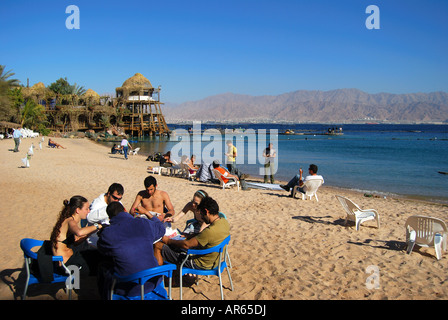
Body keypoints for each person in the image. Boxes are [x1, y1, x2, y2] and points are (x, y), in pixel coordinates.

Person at [97, 202, 166, 299]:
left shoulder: (108, 233)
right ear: (125, 210)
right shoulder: (143, 223)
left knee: (103, 267)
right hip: (153, 281)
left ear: (110, 218)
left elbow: (102, 249)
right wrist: (147, 213)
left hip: (129, 287)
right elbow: (161, 229)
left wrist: (102, 234)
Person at [155, 196, 230, 269]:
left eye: (201, 214)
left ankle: (157, 278)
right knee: (174, 248)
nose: (201, 217)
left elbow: (186, 245)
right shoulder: (224, 222)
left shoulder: (209, 231)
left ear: (206, 212)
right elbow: (208, 237)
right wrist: (190, 236)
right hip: (214, 261)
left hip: (199, 263)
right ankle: (174, 276)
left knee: (158, 245)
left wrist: (168, 241)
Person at [50, 195, 103, 275]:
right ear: (78, 210)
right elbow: (79, 232)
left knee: (97, 254)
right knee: (99, 265)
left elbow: (76, 242)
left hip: (69, 259)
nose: (88, 211)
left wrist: (90, 233)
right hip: (67, 266)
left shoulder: (68, 219)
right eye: (86, 209)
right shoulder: (69, 221)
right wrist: (97, 226)